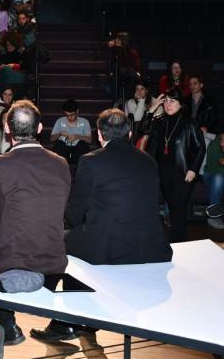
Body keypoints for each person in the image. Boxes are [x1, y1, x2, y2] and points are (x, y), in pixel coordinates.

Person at [31, 109, 173, 343]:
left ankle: (66, 322)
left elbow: (76, 213)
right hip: (150, 244)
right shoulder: (148, 161)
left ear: (99, 134)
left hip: (111, 245)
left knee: (63, 240)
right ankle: (81, 322)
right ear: (129, 134)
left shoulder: (91, 161)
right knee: (81, 237)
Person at [0, 100, 70, 353]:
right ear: (40, 127)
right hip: (51, 258)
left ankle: (3, 323)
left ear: (8, 130)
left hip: (11, 258)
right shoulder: (61, 163)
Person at [142, 89, 206, 242]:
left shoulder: (189, 123)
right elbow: (143, 129)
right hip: (163, 171)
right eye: (166, 101)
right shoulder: (159, 121)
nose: (168, 105)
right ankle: (181, 241)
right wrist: (152, 108)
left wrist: (193, 169)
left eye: (173, 101)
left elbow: (200, 148)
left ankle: (177, 241)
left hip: (183, 172)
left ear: (181, 105)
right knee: (174, 208)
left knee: (178, 208)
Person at [51, 99, 92, 164]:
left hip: (78, 149)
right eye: (67, 115)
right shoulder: (59, 121)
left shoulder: (84, 122)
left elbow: (89, 140)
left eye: (72, 115)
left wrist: (78, 136)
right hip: (64, 149)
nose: (69, 117)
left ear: (77, 111)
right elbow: (51, 139)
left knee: (83, 145)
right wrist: (59, 134)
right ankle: (62, 166)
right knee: (59, 145)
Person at [107, 31, 141, 99]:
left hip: (128, 81)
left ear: (124, 41)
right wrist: (108, 44)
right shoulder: (116, 50)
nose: (116, 40)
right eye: (116, 38)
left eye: (119, 39)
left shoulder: (132, 53)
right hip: (117, 79)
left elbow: (136, 71)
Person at [203, 133, 224, 229]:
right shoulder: (213, 147)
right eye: (222, 141)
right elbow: (212, 168)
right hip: (210, 175)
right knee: (219, 178)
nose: (223, 144)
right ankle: (213, 216)